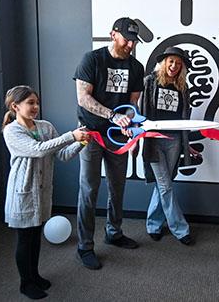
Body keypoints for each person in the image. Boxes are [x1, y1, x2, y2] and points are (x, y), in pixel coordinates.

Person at [2, 85, 88, 299]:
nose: (35, 107)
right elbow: (37, 150)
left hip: (42, 192)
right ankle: (25, 283)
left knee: (35, 237)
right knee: (25, 239)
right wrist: (71, 135)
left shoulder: (46, 126)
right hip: (22, 193)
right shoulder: (12, 131)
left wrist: (82, 142)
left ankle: (35, 276)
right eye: (30, 103)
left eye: (37, 102)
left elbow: (63, 155)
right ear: (15, 106)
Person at [74, 17, 145, 270]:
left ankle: (113, 232)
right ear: (113, 34)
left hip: (118, 137)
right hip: (91, 134)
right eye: (127, 38)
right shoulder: (92, 60)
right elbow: (83, 98)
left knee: (118, 187)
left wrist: (132, 126)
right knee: (89, 189)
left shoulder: (137, 67)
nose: (131, 44)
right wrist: (112, 115)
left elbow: (134, 105)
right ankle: (85, 246)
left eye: (134, 40)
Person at [141, 46, 199, 245]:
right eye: (171, 61)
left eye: (178, 63)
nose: (174, 66)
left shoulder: (183, 87)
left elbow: (184, 118)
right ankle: (181, 229)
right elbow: (142, 112)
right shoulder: (150, 82)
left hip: (174, 141)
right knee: (165, 185)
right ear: (164, 62)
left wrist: (186, 144)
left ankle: (153, 224)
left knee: (164, 184)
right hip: (154, 140)